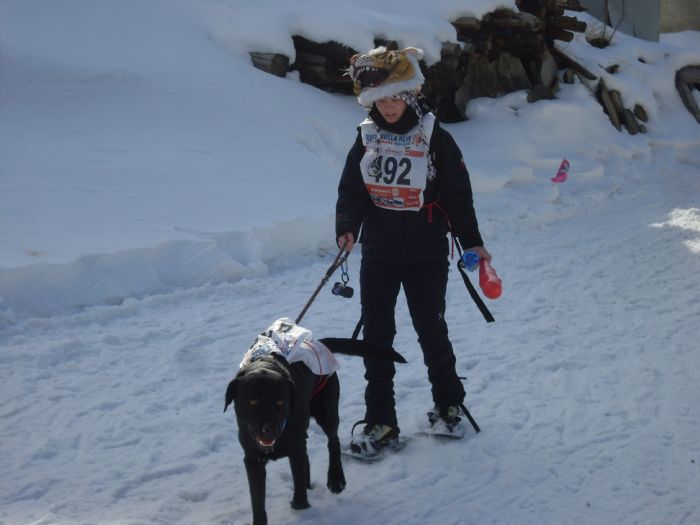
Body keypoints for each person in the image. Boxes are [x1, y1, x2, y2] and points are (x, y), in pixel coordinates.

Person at [335, 46, 491, 457]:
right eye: (380, 99)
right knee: (376, 336)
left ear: (409, 96)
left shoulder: (435, 136)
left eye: (395, 98)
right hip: (379, 252)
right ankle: (381, 421)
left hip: (426, 252)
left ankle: (449, 405)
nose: (388, 107)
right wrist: (347, 228)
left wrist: (472, 241)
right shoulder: (366, 136)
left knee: (430, 328)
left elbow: (458, 194)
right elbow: (352, 190)